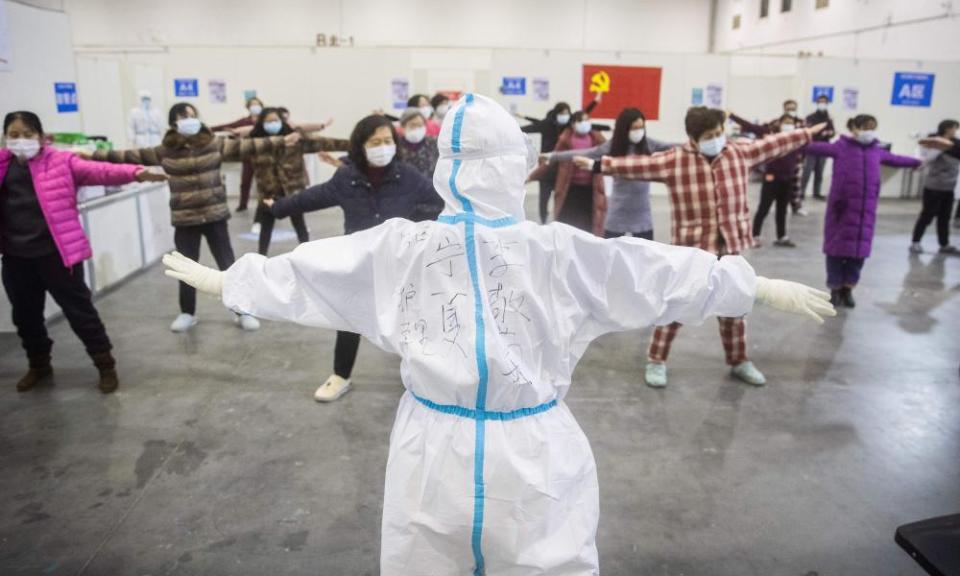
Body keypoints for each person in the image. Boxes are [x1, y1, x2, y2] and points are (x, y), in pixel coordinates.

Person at [163, 93, 834, 575]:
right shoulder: (529, 250)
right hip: (518, 446)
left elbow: (314, 273)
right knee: (497, 556)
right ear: (517, 165)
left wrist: (232, 282)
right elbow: (653, 274)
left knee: (467, 554)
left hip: (444, 445)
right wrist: (752, 286)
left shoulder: (461, 249)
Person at [575, 106, 824, 388]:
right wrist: (598, 165)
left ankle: (739, 360)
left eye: (719, 133)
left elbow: (774, 144)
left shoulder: (738, 153)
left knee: (735, 304)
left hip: (730, 246)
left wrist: (805, 134)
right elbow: (637, 166)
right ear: (693, 138)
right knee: (677, 305)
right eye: (709, 135)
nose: (717, 138)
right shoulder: (675, 161)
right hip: (691, 250)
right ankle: (656, 360)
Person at [262, 114, 442, 403]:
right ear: (361, 145)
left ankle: (423, 377)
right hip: (359, 263)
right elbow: (314, 197)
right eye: (375, 142)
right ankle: (340, 376)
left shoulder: (407, 176)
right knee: (348, 321)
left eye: (387, 141)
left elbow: (439, 201)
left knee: (411, 321)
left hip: (399, 266)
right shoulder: (348, 177)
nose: (383, 147)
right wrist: (278, 208)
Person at [91, 102, 300, 332]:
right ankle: (187, 313)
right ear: (173, 124)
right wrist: (93, 154)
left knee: (228, 266)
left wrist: (282, 140)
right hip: (185, 219)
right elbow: (129, 155)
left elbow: (248, 146)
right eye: (183, 117)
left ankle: (242, 312)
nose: (190, 120)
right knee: (186, 269)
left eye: (192, 115)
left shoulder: (213, 144)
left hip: (215, 216)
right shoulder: (165, 150)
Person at [1, 111, 167, 393]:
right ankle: (39, 365)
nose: (21, 141)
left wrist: (137, 173)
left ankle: (105, 365)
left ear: (41, 138)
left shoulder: (60, 162)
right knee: (26, 317)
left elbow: (101, 171)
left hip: (57, 255)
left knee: (80, 313)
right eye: (13, 135)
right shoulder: (3, 166)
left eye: (27, 135)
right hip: (16, 257)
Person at [804, 114, 921, 308]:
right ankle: (834, 289)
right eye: (866, 126)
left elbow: (897, 159)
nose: (870, 131)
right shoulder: (840, 147)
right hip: (840, 211)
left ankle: (848, 289)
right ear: (855, 128)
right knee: (835, 252)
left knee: (858, 254)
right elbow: (810, 147)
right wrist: (792, 138)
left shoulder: (877, 150)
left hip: (865, 212)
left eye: (873, 127)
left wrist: (918, 161)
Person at [544, 107, 674, 239]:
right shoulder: (613, 146)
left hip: (642, 214)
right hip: (618, 212)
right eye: (635, 128)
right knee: (609, 254)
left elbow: (672, 146)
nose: (638, 132)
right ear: (624, 129)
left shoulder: (648, 144)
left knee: (644, 255)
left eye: (641, 128)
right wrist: (552, 156)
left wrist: (694, 146)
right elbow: (586, 153)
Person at [246, 107, 349, 256]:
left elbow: (324, 143)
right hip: (269, 193)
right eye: (268, 121)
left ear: (282, 122)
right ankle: (260, 257)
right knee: (266, 228)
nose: (272, 124)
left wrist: (354, 144)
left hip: (292, 191)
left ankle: (307, 255)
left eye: (275, 120)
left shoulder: (295, 141)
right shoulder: (256, 144)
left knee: (299, 224)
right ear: (261, 123)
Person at [519, 94, 601, 223]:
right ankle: (544, 222)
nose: (566, 115)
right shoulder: (546, 124)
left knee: (560, 196)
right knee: (544, 197)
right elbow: (533, 126)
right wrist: (514, 129)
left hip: (561, 169)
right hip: (547, 166)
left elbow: (583, 115)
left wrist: (595, 102)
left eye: (567, 113)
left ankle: (558, 222)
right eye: (563, 113)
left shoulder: (570, 126)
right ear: (556, 113)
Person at [729, 112, 804, 247]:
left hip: (787, 180)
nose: (789, 125)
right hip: (772, 179)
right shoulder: (769, 135)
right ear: (779, 123)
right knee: (764, 208)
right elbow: (750, 126)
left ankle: (782, 237)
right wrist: (732, 116)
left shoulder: (795, 139)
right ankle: (754, 235)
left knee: (782, 210)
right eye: (786, 122)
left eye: (791, 123)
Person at [533, 111, 606, 234]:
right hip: (570, 190)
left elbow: (610, 154)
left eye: (587, 120)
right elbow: (553, 159)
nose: (585, 124)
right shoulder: (566, 139)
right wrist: (532, 176)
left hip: (590, 190)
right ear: (573, 124)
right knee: (568, 226)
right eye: (581, 121)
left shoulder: (597, 139)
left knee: (588, 227)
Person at [910, 120, 960, 255]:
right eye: (954, 128)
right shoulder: (934, 142)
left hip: (949, 187)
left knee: (945, 217)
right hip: (933, 187)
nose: (955, 131)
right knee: (927, 215)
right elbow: (927, 159)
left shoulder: (956, 144)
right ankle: (916, 242)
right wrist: (939, 147)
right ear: (947, 129)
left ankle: (944, 244)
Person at [211, 96, 264, 212]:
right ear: (248, 107)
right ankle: (243, 204)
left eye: (257, 104)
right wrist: (209, 129)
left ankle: (269, 204)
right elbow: (227, 126)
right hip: (248, 155)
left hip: (263, 155)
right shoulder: (244, 121)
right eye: (252, 104)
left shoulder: (265, 121)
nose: (255, 107)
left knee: (265, 183)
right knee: (245, 181)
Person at [801, 94, 836, 201]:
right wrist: (821, 133)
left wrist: (830, 133)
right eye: (820, 102)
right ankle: (801, 192)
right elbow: (808, 132)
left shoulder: (829, 118)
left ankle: (817, 192)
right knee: (807, 171)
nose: (822, 104)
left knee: (819, 172)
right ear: (817, 103)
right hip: (812, 146)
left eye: (824, 102)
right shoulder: (810, 117)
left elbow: (832, 132)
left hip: (824, 147)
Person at [396, 107, 439, 179]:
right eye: (413, 125)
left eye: (420, 125)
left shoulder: (434, 143)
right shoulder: (397, 145)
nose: (417, 128)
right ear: (403, 127)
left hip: (430, 186)